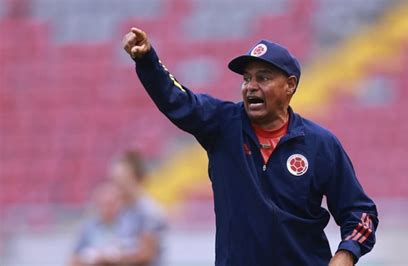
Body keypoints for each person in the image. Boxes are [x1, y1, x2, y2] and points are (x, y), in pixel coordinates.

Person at [122, 27, 378, 266]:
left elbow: (359, 212)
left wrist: (345, 255)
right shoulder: (222, 125)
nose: (251, 86)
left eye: (263, 78)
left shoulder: (321, 144)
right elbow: (177, 100)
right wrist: (147, 61)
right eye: (247, 79)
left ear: (290, 85)